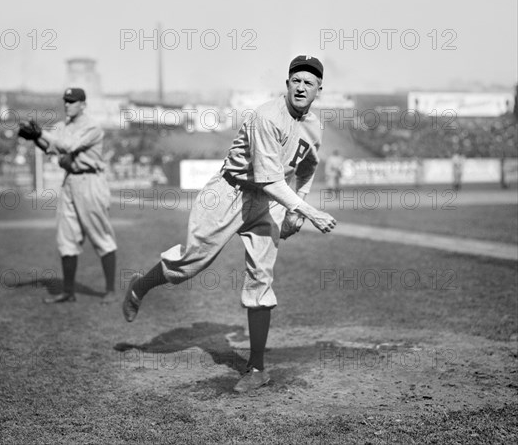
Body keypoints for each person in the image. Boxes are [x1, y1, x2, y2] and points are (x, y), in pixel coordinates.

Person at [122, 56, 337, 393]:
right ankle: (140, 285)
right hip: (229, 192)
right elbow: (268, 180)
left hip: (268, 202)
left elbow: (307, 166)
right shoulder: (267, 116)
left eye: (309, 83)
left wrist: (297, 206)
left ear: (319, 91)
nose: (301, 86)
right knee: (190, 262)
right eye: (295, 80)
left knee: (261, 278)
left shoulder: (315, 126)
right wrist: (307, 210)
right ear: (287, 84)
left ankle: (256, 368)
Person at [18, 87, 118, 304]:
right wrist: (35, 139)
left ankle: (110, 289)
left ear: (83, 104)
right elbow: (51, 149)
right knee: (66, 237)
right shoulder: (62, 126)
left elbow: (69, 146)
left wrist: (40, 133)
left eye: (72, 101)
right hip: (70, 181)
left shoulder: (92, 127)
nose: (67, 104)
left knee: (101, 235)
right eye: (66, 100)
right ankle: (68, 291)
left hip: (91, 181)